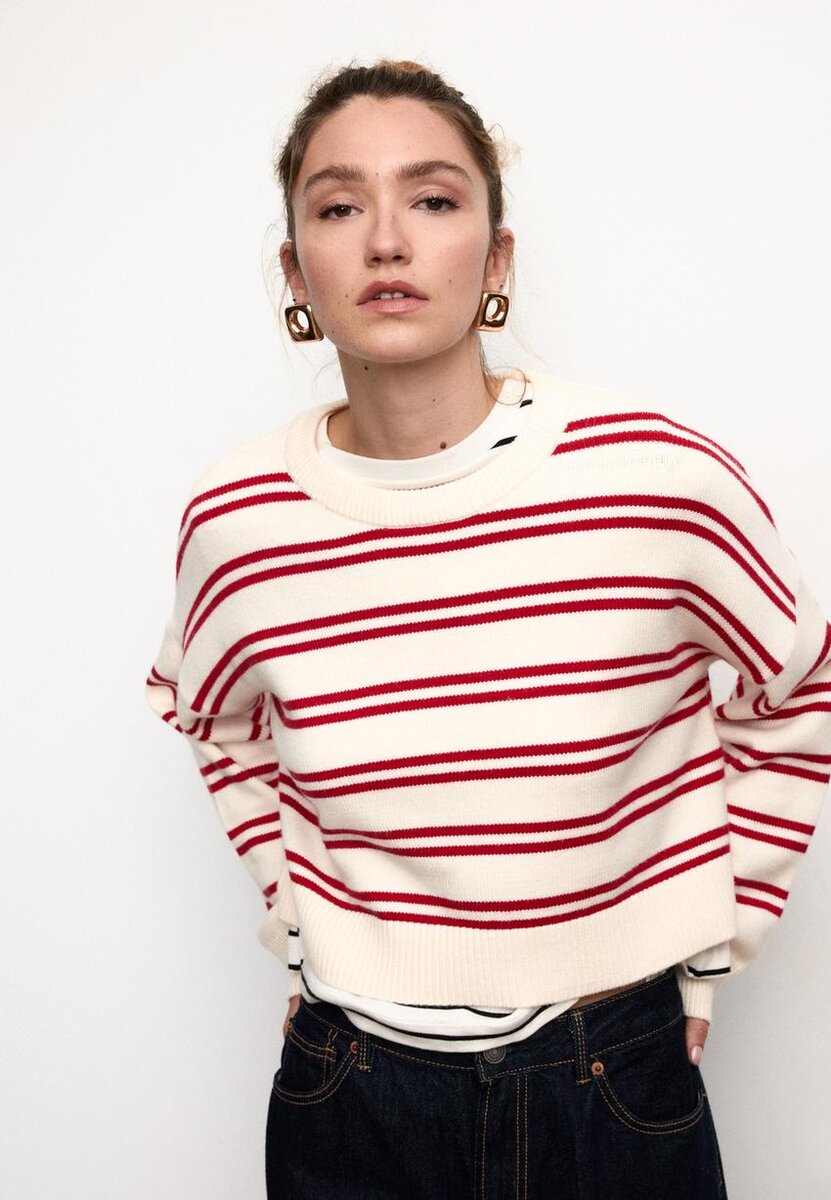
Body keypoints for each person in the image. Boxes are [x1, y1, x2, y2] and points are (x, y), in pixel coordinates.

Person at [145, 58, 831, 1199]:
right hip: (350, 1086)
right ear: (296, 272)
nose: (386, 241)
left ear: (496, 257)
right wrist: (300, 919)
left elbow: (800, 683)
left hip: (614, 1071)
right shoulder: (238, 520)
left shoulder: (653, 477)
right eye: (338, 207)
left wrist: (717, 936)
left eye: (432, 198)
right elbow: (212, 719)